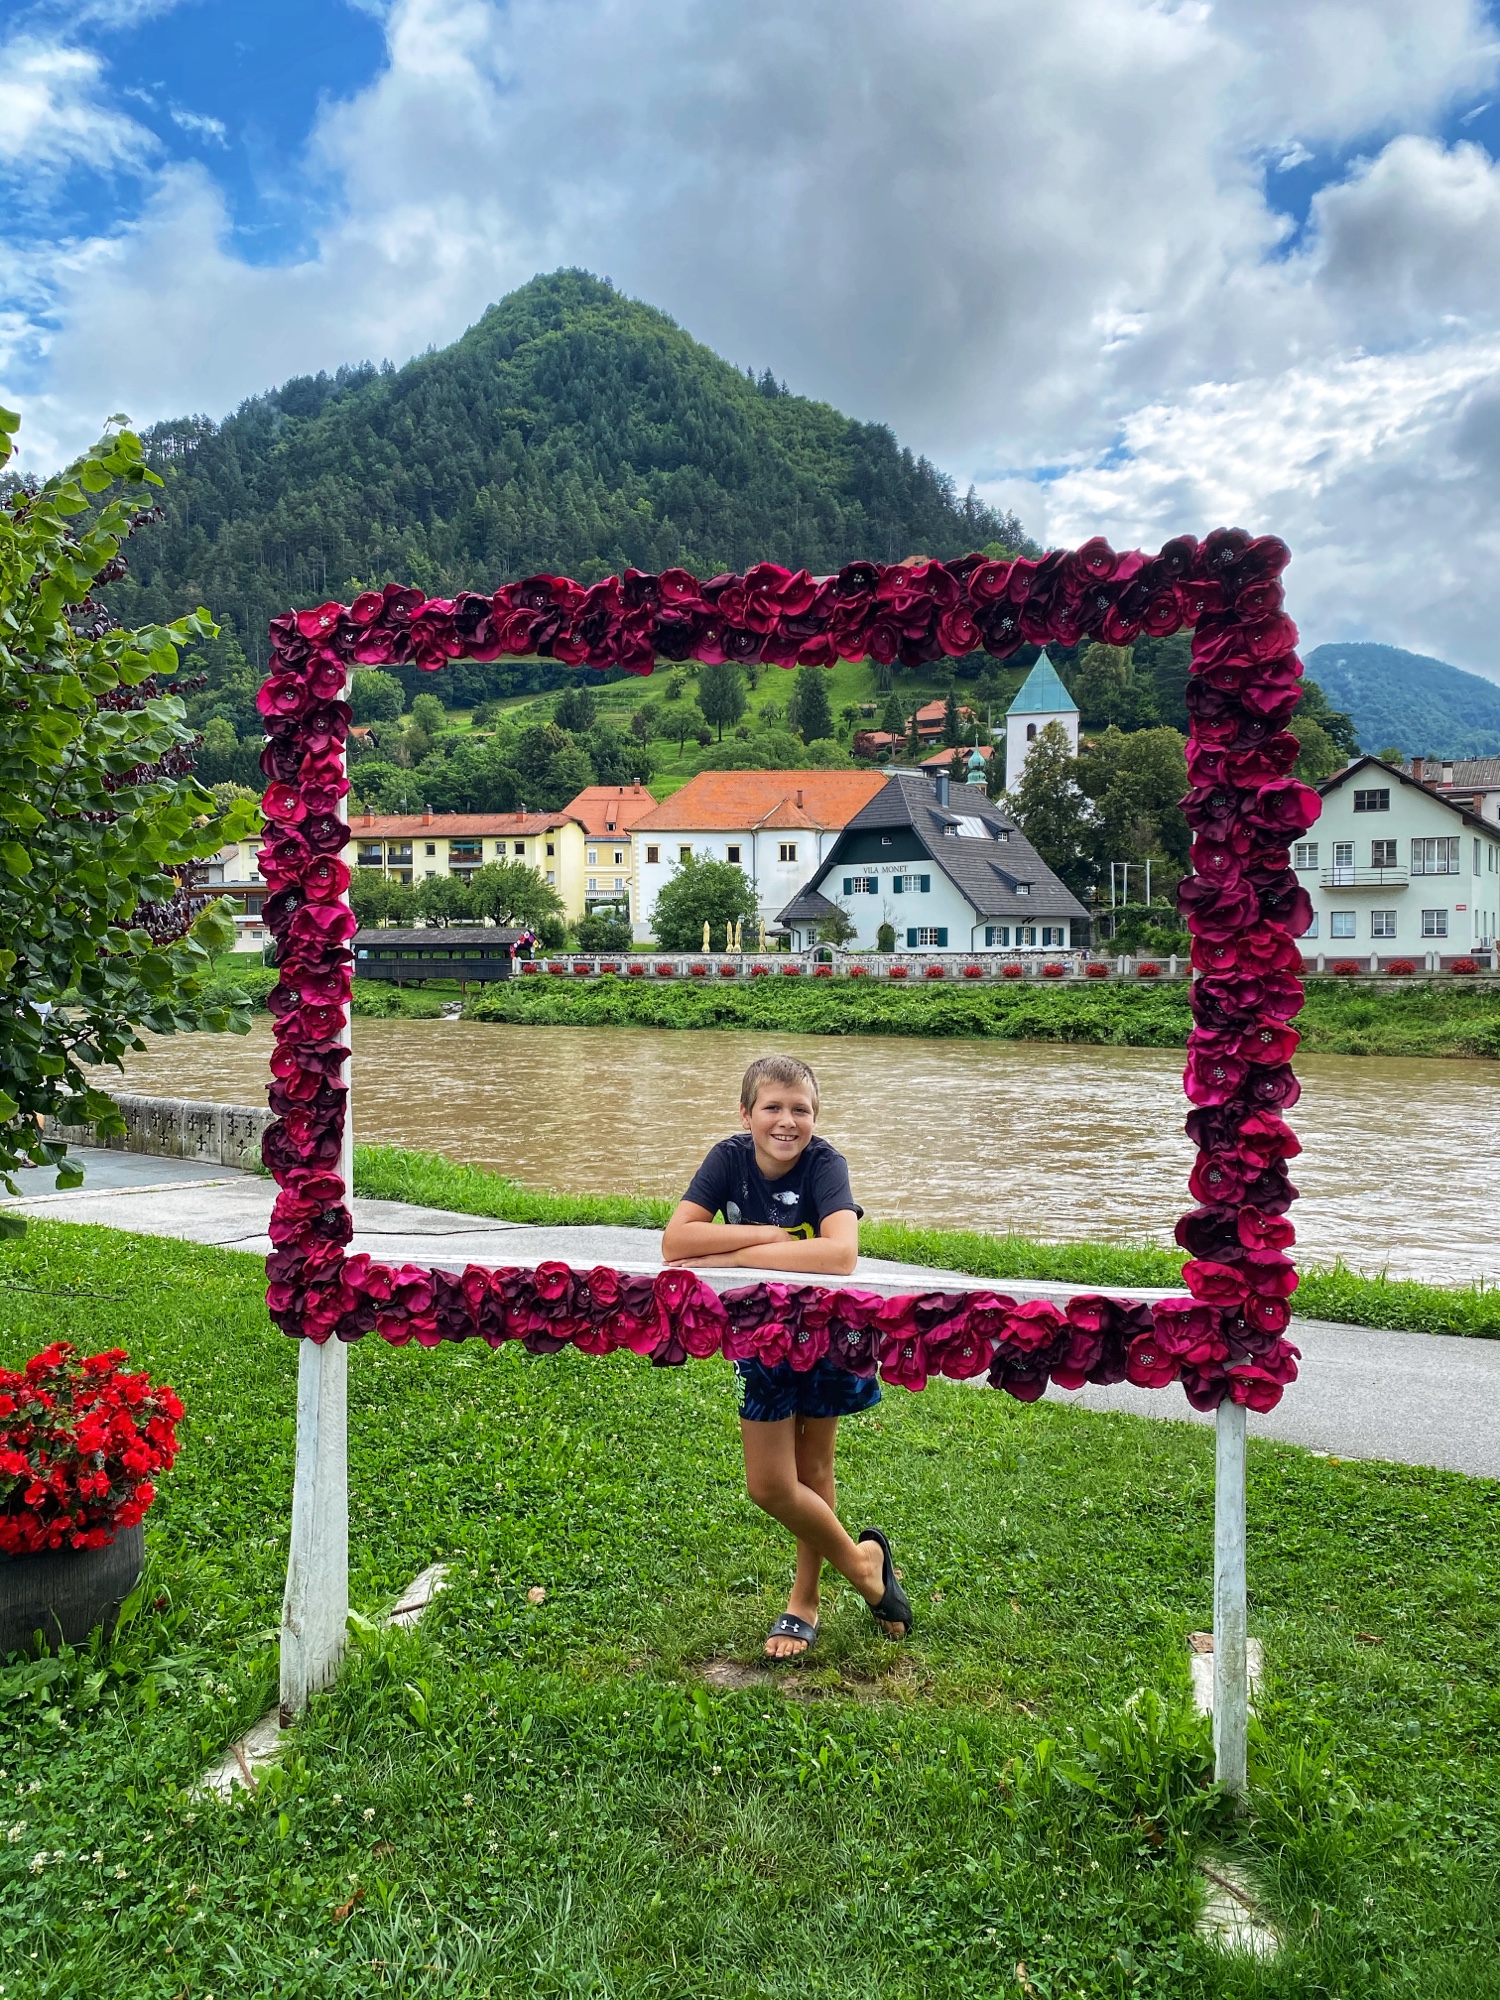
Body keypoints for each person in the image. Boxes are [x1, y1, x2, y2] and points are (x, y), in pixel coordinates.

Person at [661, 1054, 912, 1661]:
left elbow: (840, 1256)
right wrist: (773, 1236)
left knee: (815, 1467)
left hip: (830, 1334)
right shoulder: (728, 1159)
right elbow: (676, 1241)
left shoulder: (826, 1164)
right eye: (771, 1107)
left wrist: (735, 1256)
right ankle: (865, 1565)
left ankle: (805, 1600)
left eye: (800, 1109)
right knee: (770, 1486)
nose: (786, 1121)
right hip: (759, 1337)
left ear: (815, 1116)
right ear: (745, 1114)